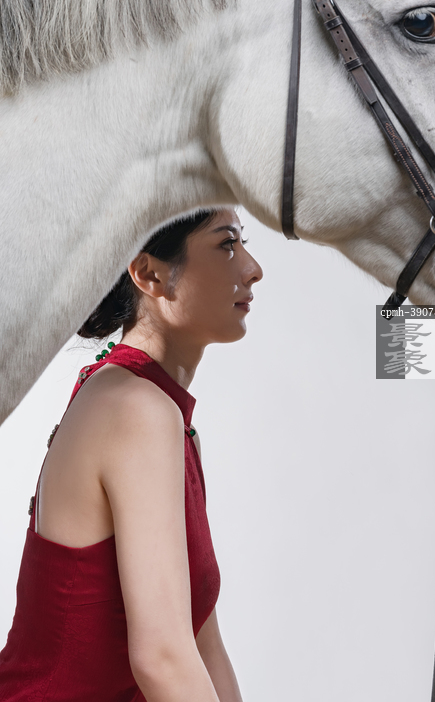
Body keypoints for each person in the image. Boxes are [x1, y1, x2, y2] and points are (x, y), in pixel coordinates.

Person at [0, 208, 263, 702]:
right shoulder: (135, 409)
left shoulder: (170, 421)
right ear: (150, 275)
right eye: (226, 245)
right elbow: (162, 659)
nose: (253, 269)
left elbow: (202, 646)